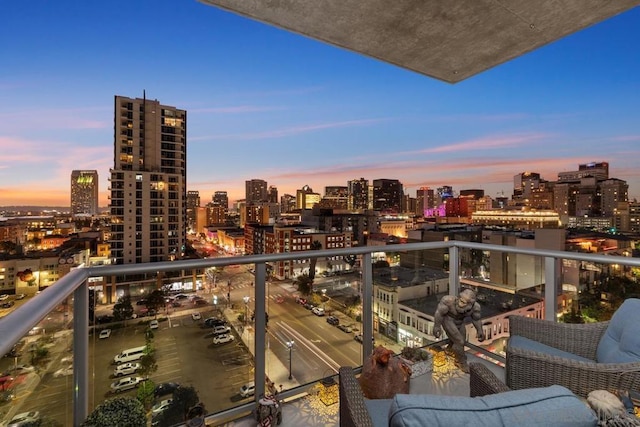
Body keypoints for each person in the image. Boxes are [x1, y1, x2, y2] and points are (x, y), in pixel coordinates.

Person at [433, 288, 485, 373]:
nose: (461, 303)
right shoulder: (448, 301)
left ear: (471, 304)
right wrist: (437, 326)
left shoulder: (475, 307)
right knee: (459, 342)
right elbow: (439, 313)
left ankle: (450, 350)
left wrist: (480, 330)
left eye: (464, 302)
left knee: (462, 341)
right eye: (461, 300)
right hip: (448, 320)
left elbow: (476, 319)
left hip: (460, 322)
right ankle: (461, 362)